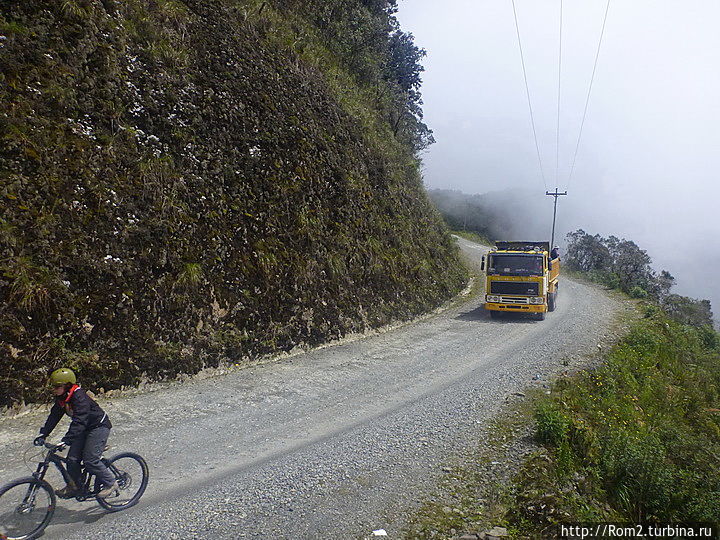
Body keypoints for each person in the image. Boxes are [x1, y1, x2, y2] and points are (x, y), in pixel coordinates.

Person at [34, 367, 118, 499]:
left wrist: (67, 440)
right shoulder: (63, 398)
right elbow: (54, 416)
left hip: (98, 427)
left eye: (57, 387)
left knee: (90, 460)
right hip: (84, 429)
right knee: (72, 460)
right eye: (53, 387)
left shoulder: (79, 397)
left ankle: (111, 483)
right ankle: (75, 487)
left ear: (67, 385)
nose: (54, 390)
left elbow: (80, 420)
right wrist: (43, 434)